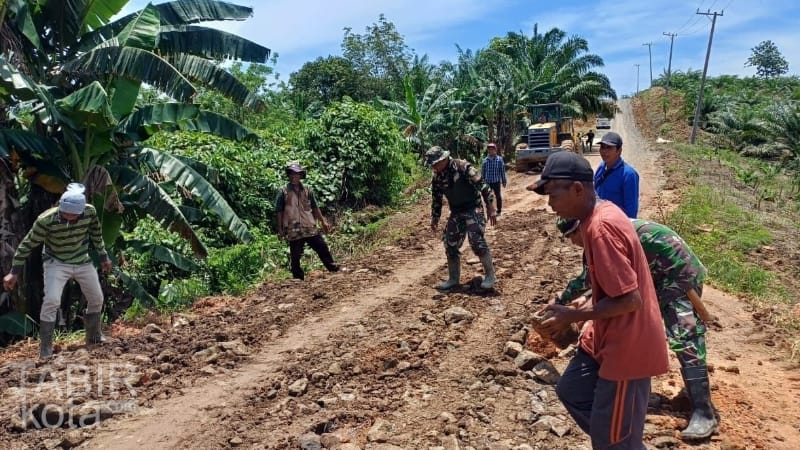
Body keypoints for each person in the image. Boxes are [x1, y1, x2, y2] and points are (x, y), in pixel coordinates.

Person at [528, 151, 668, 449]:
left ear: (578, 189)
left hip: (627, 347)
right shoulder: (596, 218)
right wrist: (582, 303)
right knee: (572, 390)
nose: (550, 203)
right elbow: (613, 286)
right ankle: (618, 439)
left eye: (552, 193)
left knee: (613, 440)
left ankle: (619, 442)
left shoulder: (601, 229)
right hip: (605, 337)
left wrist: (570, 317)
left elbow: (630, 300)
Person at [555, 217, 718, 440]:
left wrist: (563, 304)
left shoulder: (604, 234)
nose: (573, 243)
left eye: (572, 236)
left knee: (684, 336)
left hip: (676, 273)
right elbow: (596, 279)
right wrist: (567, 302)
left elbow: (589, 280)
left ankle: (704, 412)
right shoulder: (598, 232)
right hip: (652, 275)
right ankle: (634, 394)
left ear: (580, 228)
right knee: (635, 326)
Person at [3, 183, 112, 359]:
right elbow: (27, 244)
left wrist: (104, 257)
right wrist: (13, 272)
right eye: (65, 214)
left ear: (81, 211)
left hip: (82, 260)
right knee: (52, 300)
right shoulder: (46, 220)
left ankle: (94, 337)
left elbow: (96, 234)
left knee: (96, 298)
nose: (68, 218)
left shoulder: (90, 212)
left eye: (73, 215)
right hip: (56, 262)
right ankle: (46, 348)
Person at [425, 146, 497, 290]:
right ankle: (453, 279)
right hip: (456, 211)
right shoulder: (437, 177)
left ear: (444, 159)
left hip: (472, 208)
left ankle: (490, 276)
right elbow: (436, 199)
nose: (434, 167)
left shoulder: (463, 167)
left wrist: (490, 207)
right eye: (432, 165)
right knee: (449, 243)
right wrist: (435, 218)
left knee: (476, 238)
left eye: (436, 164)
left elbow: (483, 186)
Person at [275, 162, 340, 280]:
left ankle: (332, 267)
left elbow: (315, 207)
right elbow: (279, 211)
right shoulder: (283, 191)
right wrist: (280, 229)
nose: (294, 177)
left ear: (300, 176)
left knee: (322, 247)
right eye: (292, 174)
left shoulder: (307, 190)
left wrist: (323, 221)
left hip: (309, 226)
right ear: (289, 176)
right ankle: (298, 278)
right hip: (293, 228)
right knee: (295, 256)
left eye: (297, 174)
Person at [594, 131, 639, 218]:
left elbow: (631, 209)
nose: (604, 151)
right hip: (600, 220)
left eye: (609, 148)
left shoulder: (628, 174)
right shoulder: (601, 167)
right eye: (602, 147)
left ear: (619, 151)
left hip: (616, 224)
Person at [481, 143, 507, 216]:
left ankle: (499, 211)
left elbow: (502, 171)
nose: (491, 151)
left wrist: (504, 181)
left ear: (495, 150)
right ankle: (490, 210)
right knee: (488, 197)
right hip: (488, 182)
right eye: (489, 149)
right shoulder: (485, 161)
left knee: (498, 196)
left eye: (492, 149)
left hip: (496, 181)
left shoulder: (499, 160)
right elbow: (483, 172)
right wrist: (482, 182)